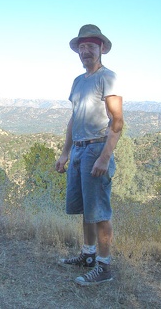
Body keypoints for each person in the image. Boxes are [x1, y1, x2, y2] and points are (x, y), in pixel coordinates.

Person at [55, 24, 123, 286]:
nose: (86, 51)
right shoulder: (78, 81)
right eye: (82, 47)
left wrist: (104, 158)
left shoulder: (108, 77)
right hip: (79, 149)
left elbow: (117, 121)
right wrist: (65, 153)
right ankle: (88, 256)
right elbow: (74, 118)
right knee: (86, 209)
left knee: (100, 212)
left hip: (96, 147)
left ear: (101, 48)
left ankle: (104, 267)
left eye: (91, 46)